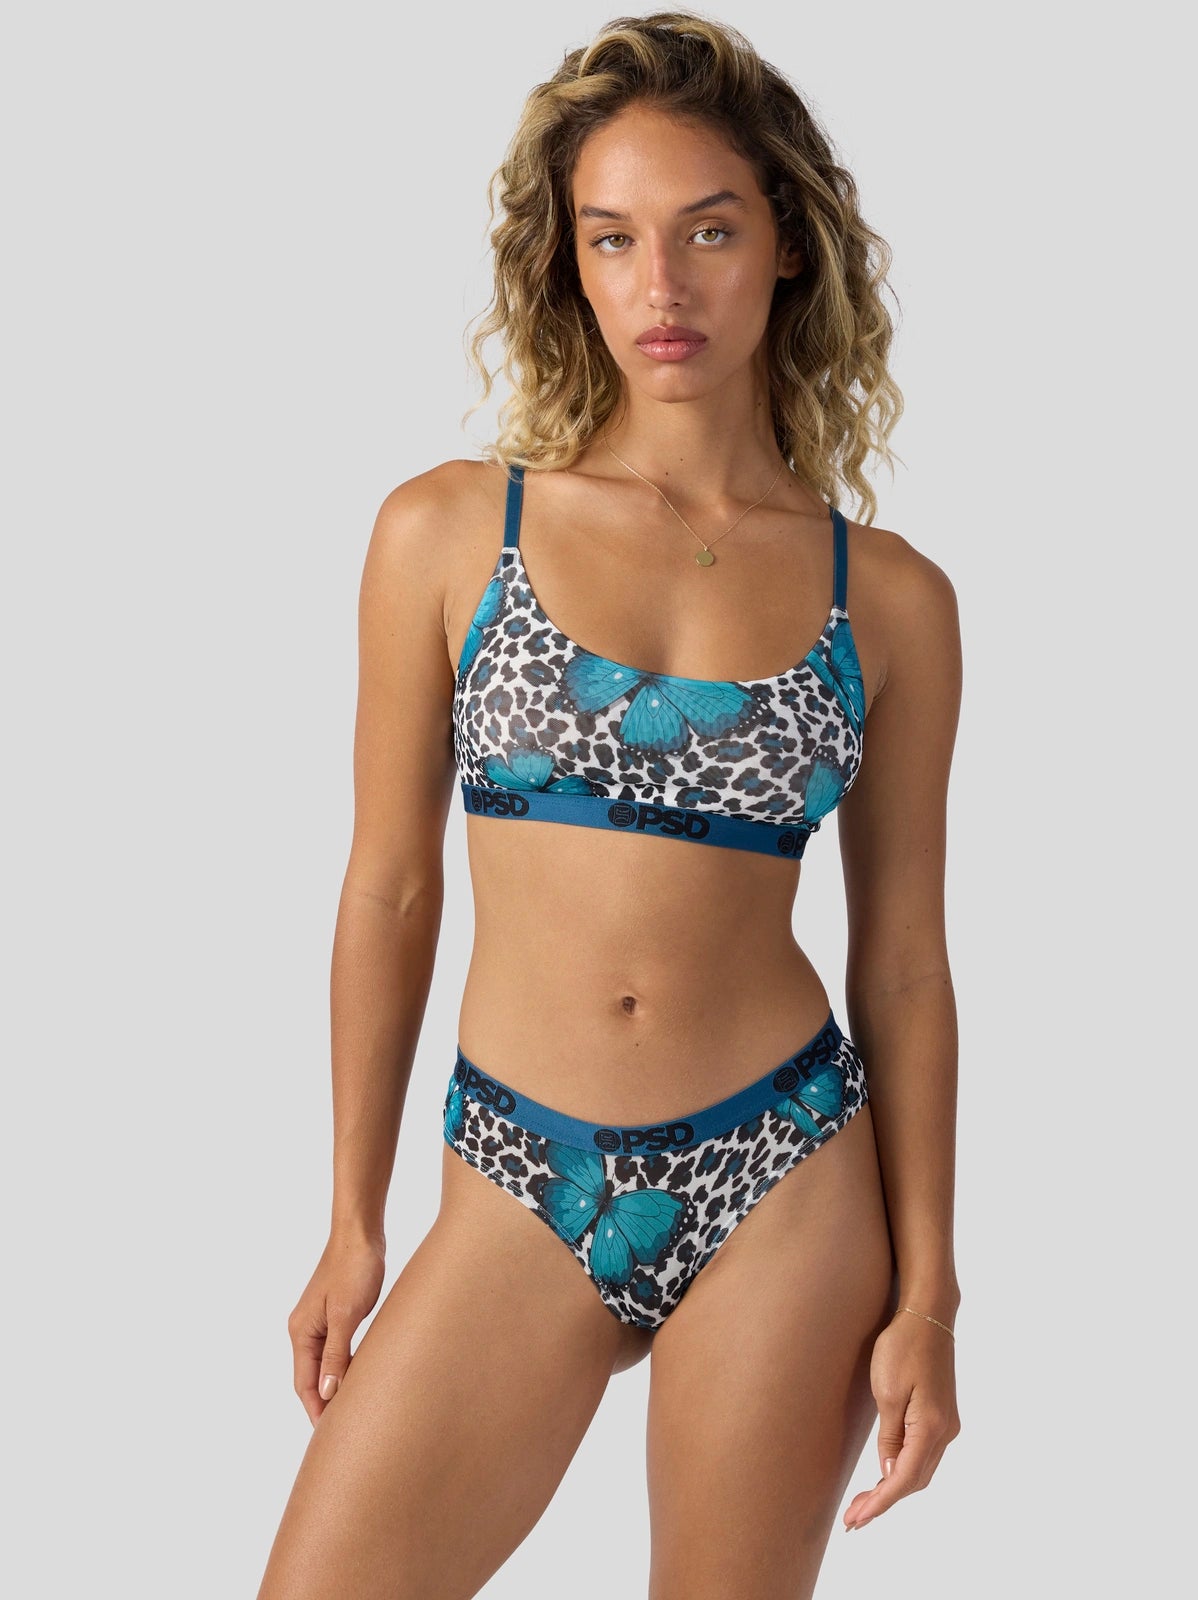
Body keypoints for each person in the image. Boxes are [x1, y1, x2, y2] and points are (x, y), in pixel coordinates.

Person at [257, 12, 962, 1598]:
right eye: (614, 236)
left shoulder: (891, 600)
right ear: (565, 260)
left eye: (709, 230)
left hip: (785, 1163)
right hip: (522, 1168)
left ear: (787, 243)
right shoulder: (451, 533)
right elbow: (388, 888)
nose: (663, 286)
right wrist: (353, 1217)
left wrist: (930, 1294)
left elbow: (907, 963)